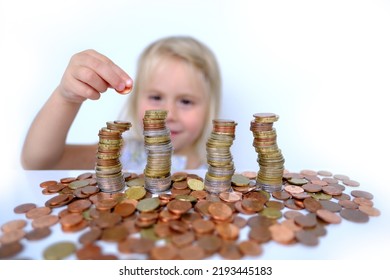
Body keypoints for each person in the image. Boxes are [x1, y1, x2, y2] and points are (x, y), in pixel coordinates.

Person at [21, 36, 222, 171]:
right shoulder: (120, 152)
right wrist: (66, 98)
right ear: (135, 100)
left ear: (209, 109)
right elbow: (40, 162)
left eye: (186, 101)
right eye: (156, 97)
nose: (168, 114)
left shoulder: (216, 172)